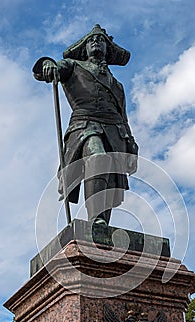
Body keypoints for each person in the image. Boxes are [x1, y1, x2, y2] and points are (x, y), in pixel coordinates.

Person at [33, 24, 138, 226]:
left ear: (108, 50)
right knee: (99, 158)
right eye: (91, 40)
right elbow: (49, 68)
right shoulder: (72, 66)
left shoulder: (117, 86)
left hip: (116, 132)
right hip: (85, 125)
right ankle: (95, 218)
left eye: (100, 40)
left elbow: (123, 117)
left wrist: (131, 146)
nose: (96, 42)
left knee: (110, 176)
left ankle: (102, 225)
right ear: (85, 48)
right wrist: (47, 64)